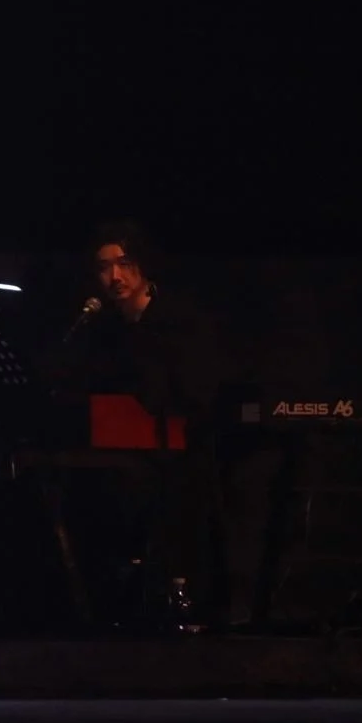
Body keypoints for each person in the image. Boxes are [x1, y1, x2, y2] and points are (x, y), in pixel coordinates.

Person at [73, 219, 228, 632]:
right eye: (104, 267)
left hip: (178, 455)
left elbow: (194, 396)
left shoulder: (179, 322)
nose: (114, 276)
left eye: (124, 264)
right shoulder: (103, 329)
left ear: (143, 265)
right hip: (120, 456)